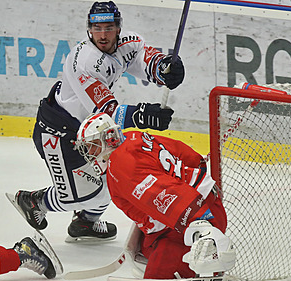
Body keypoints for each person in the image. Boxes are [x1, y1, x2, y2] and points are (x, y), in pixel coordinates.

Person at [75, 112, 273, 281]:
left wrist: (202, 227)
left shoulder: (120, 166)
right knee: (147, 252)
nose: (89, 154)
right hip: (196, 207)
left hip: (193, 217)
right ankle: (194, 267)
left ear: (109, 140)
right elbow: (188, 155)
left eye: (92, 146)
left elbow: (167, 196)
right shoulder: (133, 138)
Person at [10, 1, 185, 243]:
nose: (103, 35)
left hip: (92, 130)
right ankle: (34, 201)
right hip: (60, 133)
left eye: (109, 27)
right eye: (97, 27)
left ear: (118, 27)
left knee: (115, 178)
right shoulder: (84, 62)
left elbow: (147, 61)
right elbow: (107, 111)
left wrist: (164, 67)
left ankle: (85, 223)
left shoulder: (129, 43)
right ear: (89, 29)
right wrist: (142, 115)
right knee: (84, 195)